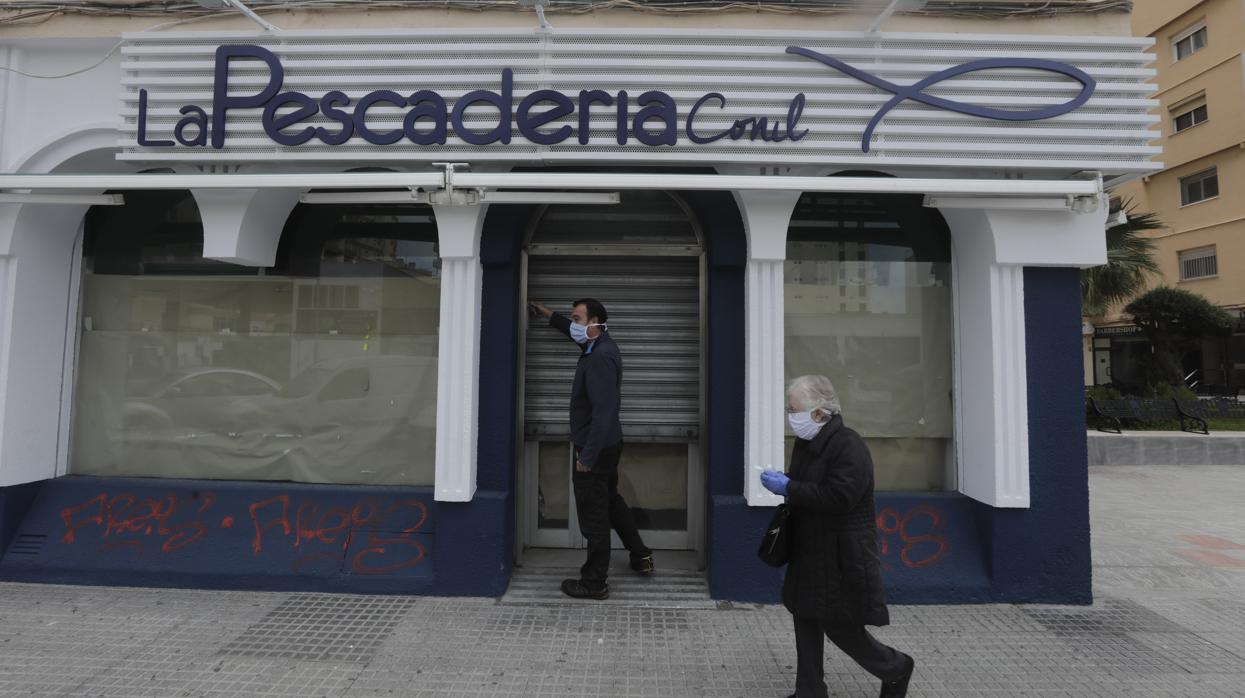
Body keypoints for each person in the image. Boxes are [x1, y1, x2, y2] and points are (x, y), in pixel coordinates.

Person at [760, 374, 915, 698]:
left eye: (795, 410)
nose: (792, 418)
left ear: (819, 412)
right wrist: (786, 481)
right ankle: (810, 691)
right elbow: (809, 486)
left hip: (841, 554)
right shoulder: (808, 443)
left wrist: (790, 487)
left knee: (839, 625)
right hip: (809, 547)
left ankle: (895, 667)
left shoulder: (849, 445)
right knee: (805, 616)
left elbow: (839, 497)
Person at [529, 298, 654, 600]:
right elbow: (571, 332)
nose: (573, 325)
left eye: (577, 319)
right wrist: (547, 314)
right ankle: (640, 555)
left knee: (593, 515)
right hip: (608, 445)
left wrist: (587, 455)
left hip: (594, 449)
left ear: (594, 323)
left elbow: (603, 413)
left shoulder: (598, 358)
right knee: (610, 501)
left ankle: (594, 582)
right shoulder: (597, 345)